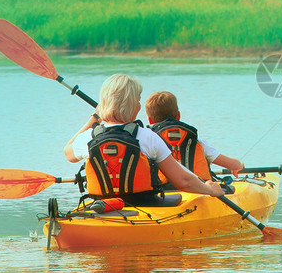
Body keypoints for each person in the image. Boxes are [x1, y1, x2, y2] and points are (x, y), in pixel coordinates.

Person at [63, 74, 224, 204]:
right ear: (133, 105)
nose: (139, 106)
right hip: (145, 205)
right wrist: (210, 190)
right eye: (138, 101)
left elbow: (68, 153)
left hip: (104, 206)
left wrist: (95, 118)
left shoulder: (88, 138)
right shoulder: (147, 137)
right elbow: (183, 181)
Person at [145, 91, 244, 180]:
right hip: (198, 192)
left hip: (163, 195)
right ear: (178, 116)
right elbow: (233, 165)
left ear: (150, 120)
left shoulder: (146, 144)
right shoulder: (197, 141)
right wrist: (239, 164)